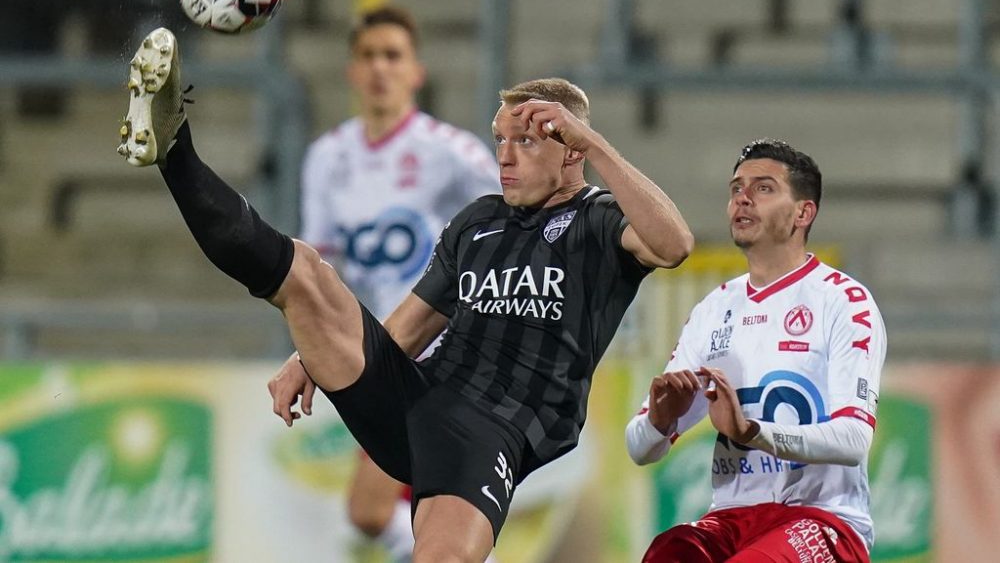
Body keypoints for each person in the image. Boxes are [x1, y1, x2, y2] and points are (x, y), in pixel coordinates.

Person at [117, 28, 693, 562]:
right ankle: (175, 150)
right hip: (417, 395)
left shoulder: (600, 221)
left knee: (440, 556)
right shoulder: (477, 222)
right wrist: (312, 358)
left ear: (571, 150)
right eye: (500, 139)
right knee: (308, 275)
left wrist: (595, 141)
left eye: (525, 140)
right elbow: (410, 327)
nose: (505, 155)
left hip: (494, 427)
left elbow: (675, 244)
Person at [296, 5, 499, 560]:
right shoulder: (326, 158)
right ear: (352, 72)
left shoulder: (453, 155)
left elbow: (508, 236)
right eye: (368, 56)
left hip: (443, 356)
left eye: (393, 56)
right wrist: (315, 353)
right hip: (373, 357)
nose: (380, 68)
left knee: (375, 508)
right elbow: (317, 270)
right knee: (381, 514)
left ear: (417, 72)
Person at [626, 139, 886, 563]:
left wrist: (751, 432)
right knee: (667, 553)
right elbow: (640, 448)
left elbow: (854, 440)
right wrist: (661, 416)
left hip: (825, 521)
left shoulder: (843, 300)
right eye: (735, 189)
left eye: (763, 188)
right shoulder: (713, 310)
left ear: (804, 212)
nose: (742, 198)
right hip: (733, 519)